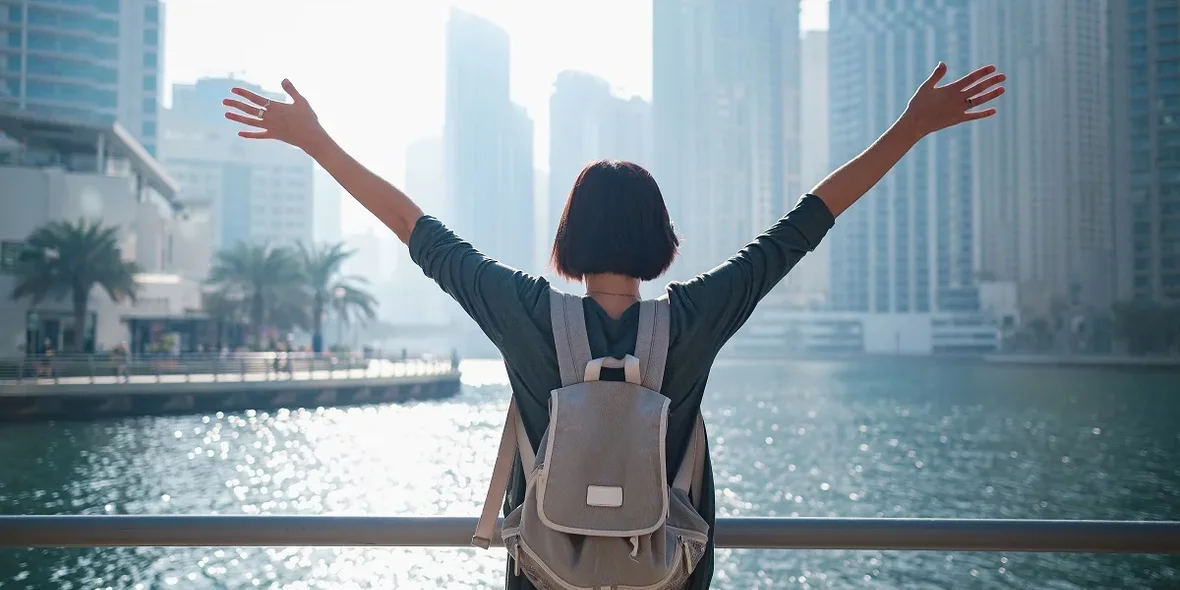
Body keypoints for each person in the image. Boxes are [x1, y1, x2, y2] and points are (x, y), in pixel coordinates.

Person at [222, 61, 1004, 589]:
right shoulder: (695, 317)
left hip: (546, 573)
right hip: (663, 573)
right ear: (661, 239)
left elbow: (412, 226)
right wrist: (910, 127)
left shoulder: (524, 311)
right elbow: (807, 221)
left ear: (569, 237)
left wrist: (314, 139)